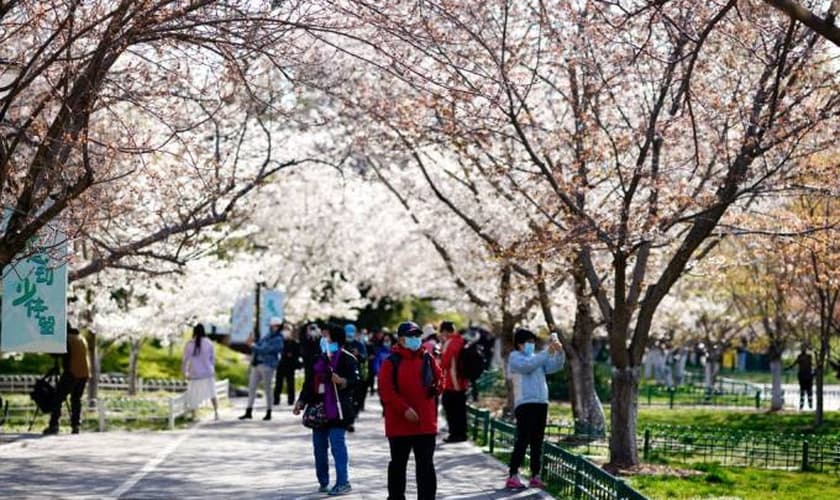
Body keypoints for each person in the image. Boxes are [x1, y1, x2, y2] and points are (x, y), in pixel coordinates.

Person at [379, 321, 442, 500]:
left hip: (425, 423)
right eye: (410, 336)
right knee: (398, 465)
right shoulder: (391, 362)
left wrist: (437, 387)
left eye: (417, 335)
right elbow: (386, 391)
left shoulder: (428, 358)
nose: (415, 339)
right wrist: (404, 409)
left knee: (426, 466)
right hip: (400, 424)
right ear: (400, 339)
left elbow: (440, 379)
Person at [294, 324, 359, 496]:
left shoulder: (347, 359)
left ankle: (343, 482)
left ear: (336, 339)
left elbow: (356, 382)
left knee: (338, 445)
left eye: (326, 336)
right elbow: (309, 383)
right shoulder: (317, 358)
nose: (323, 339)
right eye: (322, 336)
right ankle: (323, 481)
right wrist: (301, 401)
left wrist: (342, 381)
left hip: (337, 409)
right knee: (319, 448)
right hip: (317, 409)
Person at [505, 328, 564, 489]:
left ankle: (535, 475)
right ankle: (513, 474)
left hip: (541, 402)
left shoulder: (537, 357)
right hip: (525, 403)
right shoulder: (515, 357)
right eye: (528, 342)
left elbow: (554, 366)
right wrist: (546, 352)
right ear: (519, 344)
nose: (531, 345)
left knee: (537, 441)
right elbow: (528, 366)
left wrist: (559, 353)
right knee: (523, 439)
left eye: (533, 342)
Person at [44, 322, 90, 435]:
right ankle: (76, 425)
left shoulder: (66, 339)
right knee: (76, 399)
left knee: (57, 398)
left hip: (72, 372)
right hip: (84, 373)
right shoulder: (81, 338)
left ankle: (54, 425)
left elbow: (57, 354)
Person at [239, 316, 284, 421]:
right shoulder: (268, 336)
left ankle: (269, 411)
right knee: (252, 388)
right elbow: (259, 345)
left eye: (274, 326)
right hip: (257, 364)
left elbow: (264, 350)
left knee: (268, 390)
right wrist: (252, 343)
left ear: (278, 327)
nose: (272, 327)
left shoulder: (278, 339)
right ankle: (248, 411)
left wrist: (252, 345)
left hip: (268, 366)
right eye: (272, 326)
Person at [182, 323, 218, 420]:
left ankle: (194, 415)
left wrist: (185, 372)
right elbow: (213, 359)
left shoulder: (189, 344)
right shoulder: (209, 343)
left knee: (193, 395)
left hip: (194, 374)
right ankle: (216, 413)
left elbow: (185, 360)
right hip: (207, 373)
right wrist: (212, 369)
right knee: (212, 393)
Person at [440, 321, 468, 443]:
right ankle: (462, 433)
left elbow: (444, 363)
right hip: (462, 381)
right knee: (461, 410)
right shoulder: (461, 340)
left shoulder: (449, 342)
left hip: (452, 382)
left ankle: (454, 434)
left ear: (445, 331)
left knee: (450, 409)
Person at [344, 323, 368, 416]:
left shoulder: (359, 345)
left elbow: (364, 358)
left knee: (357, 395)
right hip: (343, 373)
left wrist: (358, 354)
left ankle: (355, 412)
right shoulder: (342, 344)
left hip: (356, 373)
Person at [274, 323, 301, 407]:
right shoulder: (279, 341)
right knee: (278, 383)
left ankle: (291, 400)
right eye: (284, 329)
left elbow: (297, 354)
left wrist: (292, 355)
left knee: (290, 383)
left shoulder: (295, 343)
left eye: (288, 329)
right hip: (280, 364)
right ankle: (276, 399)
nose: (286, 331)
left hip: (290, 366)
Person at [788, 346, 814, 410]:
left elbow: (794, 364)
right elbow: (794, 364)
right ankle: (804, 405)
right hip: (805, 376)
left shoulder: (807, 356)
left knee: (807, 391)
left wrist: (789, 367)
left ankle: (808, 405)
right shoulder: (805, 357)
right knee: (805, 391)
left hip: (806, 376)